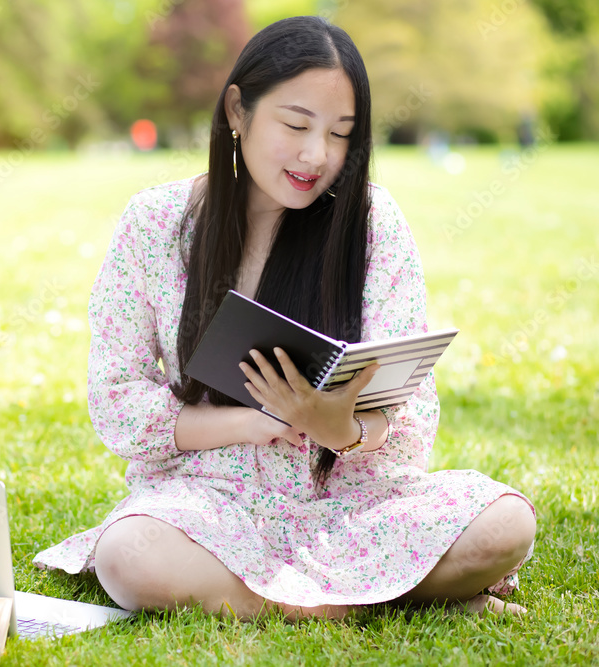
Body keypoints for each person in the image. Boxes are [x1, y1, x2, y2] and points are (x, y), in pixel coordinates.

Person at [33, 16, 536, 620]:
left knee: (507, 525)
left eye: (340, 134)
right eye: (296, 125)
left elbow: (407, 408)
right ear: (237, 112)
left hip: (349, 501)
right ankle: (381, 602)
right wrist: (256, 422)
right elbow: (118, 399)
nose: (316, 155)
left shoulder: (372, 224)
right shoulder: (156, 224)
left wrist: (338, 429)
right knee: (129, 560)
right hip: (207, 502)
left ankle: (296, 598)